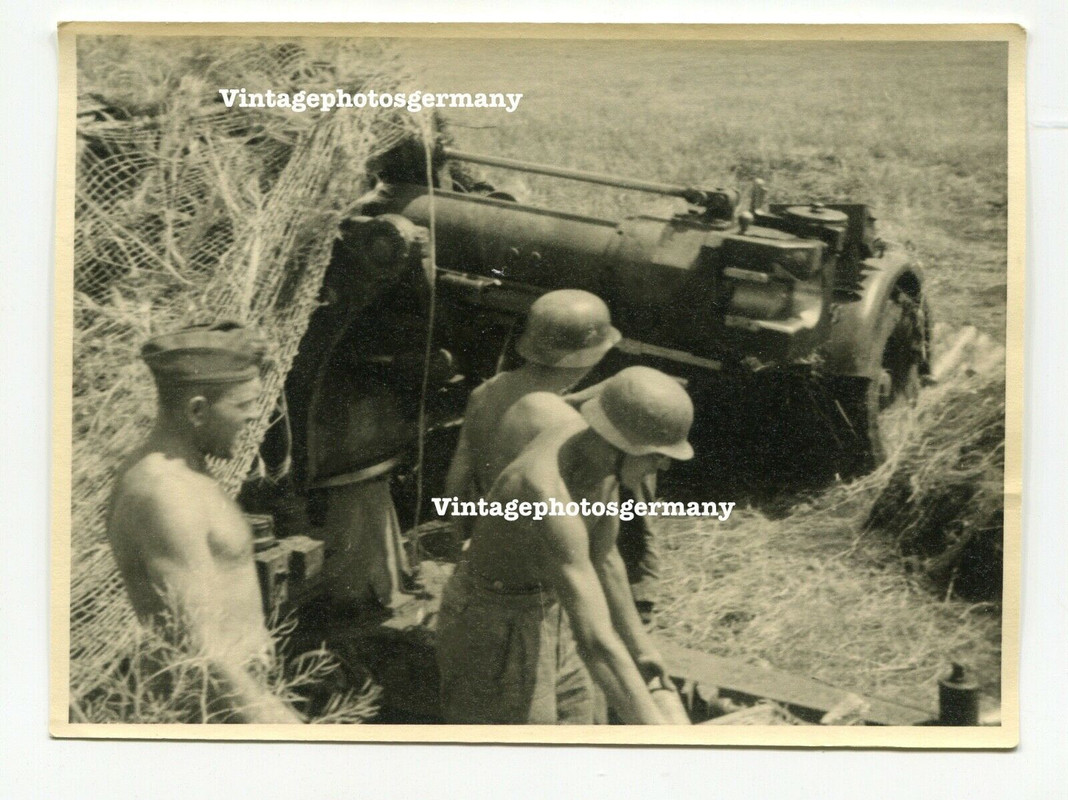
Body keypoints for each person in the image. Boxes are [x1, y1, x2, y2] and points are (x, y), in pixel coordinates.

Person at [435, 366, 695, 724]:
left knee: (584, 724)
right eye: (656, 455)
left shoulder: (599, 459)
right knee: (523, 754)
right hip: (493, 620)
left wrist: (642, 648)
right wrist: (663, 738)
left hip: (551, 608)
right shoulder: (545, 491)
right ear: (621, 444)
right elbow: (596, 643)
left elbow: (604, 559)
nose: (663, 466)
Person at [106, 322, 302, 723]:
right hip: (212, 708)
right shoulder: (164, 493)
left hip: (233, 696)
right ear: (197, 409)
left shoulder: (190, 471)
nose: (253, 421)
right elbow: (199, 644)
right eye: (243, 408)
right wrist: (271, 718)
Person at [443, 289, 621, 538]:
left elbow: (456, 481)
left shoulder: (484, 393)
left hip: (490, 537)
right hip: (546, 546)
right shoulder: (570, 423)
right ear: (593, 355)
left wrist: (463, 543)